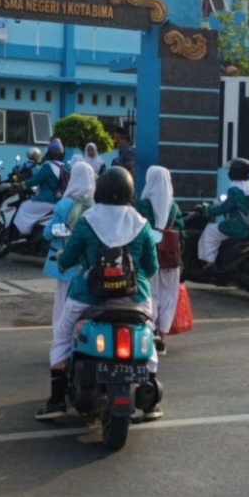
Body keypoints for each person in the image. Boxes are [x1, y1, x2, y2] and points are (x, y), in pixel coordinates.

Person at [39, 166, 162, 421]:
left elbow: (67, 260)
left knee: (62, 336)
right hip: (136, 298)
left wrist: (62, 260)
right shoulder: (142, 224)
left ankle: (57, 400)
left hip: (88, 296)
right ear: (130, 193)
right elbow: (151, 268)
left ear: (99, 191)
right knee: (148, 336)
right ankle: (150, 397)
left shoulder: (87, 222)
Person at [37, 160, 98, 422]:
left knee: (62, 312)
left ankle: (61, 355)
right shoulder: (97, 207)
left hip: (64, 266)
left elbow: (48, 233)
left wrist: (63, 232)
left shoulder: (64, 204)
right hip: (87, 271)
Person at [137, 166, 182, 354]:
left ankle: (151, 332)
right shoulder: (174, 207)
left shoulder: (142, 205)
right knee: (169, 297)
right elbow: (182, 234)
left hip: (149, 257)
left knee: (150, 294)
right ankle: (162, 340)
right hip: (171, 259)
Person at [197, 157, 249, 271]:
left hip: (237, 225)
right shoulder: (247, 186)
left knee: (210, 231)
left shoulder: (235, 189)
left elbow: (225, 207)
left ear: (235, 172)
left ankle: (208, 263)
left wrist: (206, 209)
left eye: (231, 169)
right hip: (246, 225)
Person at [14, 141, 66, 236]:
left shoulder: (48, 166)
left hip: (45, 200)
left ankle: (24, 233)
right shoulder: (63, 167)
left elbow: (35, 180)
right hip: (58, 201)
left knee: (23, 206)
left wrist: (20, 185)